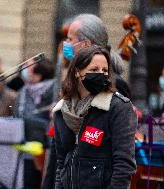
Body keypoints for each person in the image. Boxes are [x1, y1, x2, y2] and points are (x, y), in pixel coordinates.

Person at [53, 45, 137, 188]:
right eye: (94, 70)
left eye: (105, 70)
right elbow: (62, 162)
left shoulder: (118, 107)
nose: (101, 74)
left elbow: (124, 165)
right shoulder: (62, 110)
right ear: (77, 72)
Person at [43, 13, 110, 189]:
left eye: (70, 39)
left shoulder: (111, 90)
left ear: (86, 44)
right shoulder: (71, 82)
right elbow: (59, 160)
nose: (66, 43)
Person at [13, 58, 55, 189]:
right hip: (23, 148)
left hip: (42, 149)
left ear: (40, 73)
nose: (26, 70)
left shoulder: (52, 89)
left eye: (29, 67)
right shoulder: (24, 90)